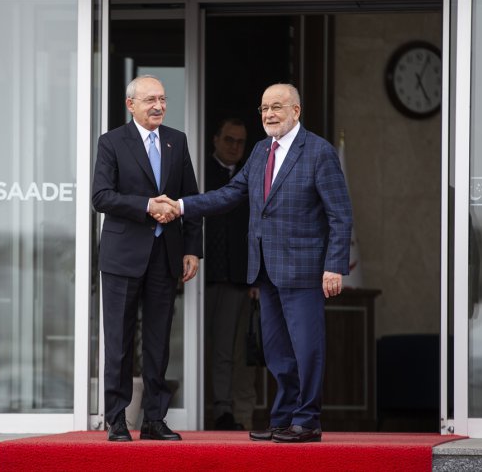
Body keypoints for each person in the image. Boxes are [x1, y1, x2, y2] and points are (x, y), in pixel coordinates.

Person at [157, 83, 352, 443]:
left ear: (296, 111)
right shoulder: (262, 150)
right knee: (277, 351)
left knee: (306, 348)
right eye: (264, 108)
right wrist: (182, 206)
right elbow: (231, 194)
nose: (269, 114)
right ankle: (283, 419)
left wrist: (335, 265)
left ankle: (307, 420)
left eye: (277, 107)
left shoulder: (319, 152)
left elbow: (340, 214)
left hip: (304, 270)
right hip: (265, 269)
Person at [92, 75, 202, 442]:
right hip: (123, 257)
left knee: (158, 341)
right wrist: (147, 206)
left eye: (162, 99)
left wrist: (192, 248)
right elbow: (101, 196)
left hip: (165, 255)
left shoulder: (176, 140)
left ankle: (155, 419)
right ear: (131, 105)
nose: (158, 106)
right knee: (119, 342)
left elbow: (190, 197)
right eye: (150, 100)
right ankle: (117, 419)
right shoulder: (112, 142)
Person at [204, 118, 257, 431]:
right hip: (201, 277)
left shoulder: (250, 175)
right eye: (229, 140)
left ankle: (227, 412)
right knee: (200, 348)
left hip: (238, 278)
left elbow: (257, 228)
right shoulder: (202, 171)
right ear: (215, 140)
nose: (235, 146)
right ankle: (202, 409)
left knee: (231, 351)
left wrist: (256, 276)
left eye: (240, 142)